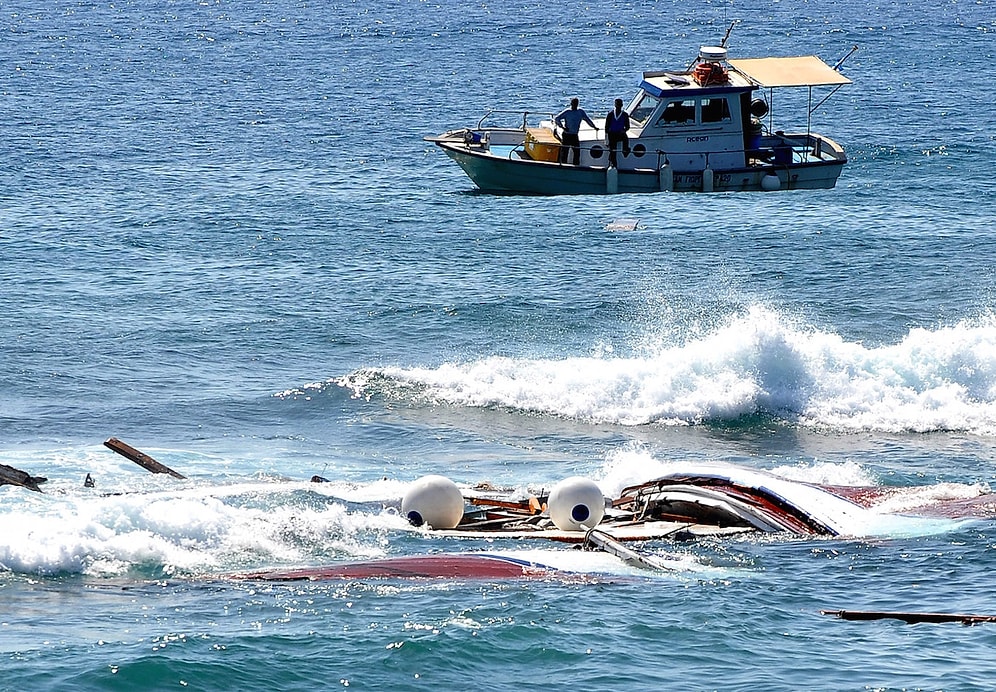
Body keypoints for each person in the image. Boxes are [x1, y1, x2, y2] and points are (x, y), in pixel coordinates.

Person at [554, 97, 597, 165]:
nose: (575, 105)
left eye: (576, 103)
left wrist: (594, 127)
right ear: (571, 103)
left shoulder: (580, 112)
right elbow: (557, 118)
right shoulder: (567, 112)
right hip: (567, 135)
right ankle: (563, 165)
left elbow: (588, 120)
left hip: (574, 135)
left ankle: (576, 166)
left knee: (577, 152)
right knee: (565, 152)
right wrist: (562, 127)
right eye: (573, 103)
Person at [604, 98, 631, 167]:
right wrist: (606, 138)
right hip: (612, 135)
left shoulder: (624, 114)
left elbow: (627, 126)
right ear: (615, 105)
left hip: (620, 134)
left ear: (622, 105)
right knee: (613, 151)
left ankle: (625, 151)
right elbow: (606, 127)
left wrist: (624, 130)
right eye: (617, 104)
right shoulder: (610, 114)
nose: (618, 106)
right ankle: (614, 165)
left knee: (625, 138)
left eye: (619, 104)